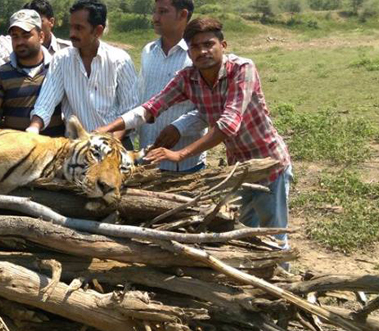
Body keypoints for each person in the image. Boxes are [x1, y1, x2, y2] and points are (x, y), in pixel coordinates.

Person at [97, 17, 292, 246]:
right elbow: (150, 108)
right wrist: (107, 128)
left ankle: (281, 277)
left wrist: (180, 154)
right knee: (241, 232)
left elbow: (228, 124)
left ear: (223, 45)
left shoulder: (242, 69)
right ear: (189, 53)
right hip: (238, 168)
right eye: (195, 47)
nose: (203, 51)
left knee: (273, 235)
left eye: (209, 44)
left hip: (269, 162)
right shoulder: (187, 78)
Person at [26, 0, 139, 146]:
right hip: (78, 147)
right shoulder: (62, 59)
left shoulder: (120, 60)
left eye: (79, 28)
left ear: (98, 31)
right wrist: (34, 128)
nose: (72, 33)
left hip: (115, 144)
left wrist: (110, 143)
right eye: (71, 27)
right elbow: (46, 101)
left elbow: (130, 111)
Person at [138, 0, 207, 172]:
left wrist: (179, 127)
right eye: (155, 11)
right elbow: (142, 97)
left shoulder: (197, 56)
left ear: (183, 15)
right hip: (148, 159)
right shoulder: (148, 52)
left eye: (163, 12)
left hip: (185, 163)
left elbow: (208, 109)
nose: (155, 18)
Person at [0, 9, 65, 136]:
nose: (20, 42)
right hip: (16, 149)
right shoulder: (1, 74)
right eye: (15, 36)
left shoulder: (57, 69)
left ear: (41, 37)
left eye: (26, 35)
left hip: (53, 149)